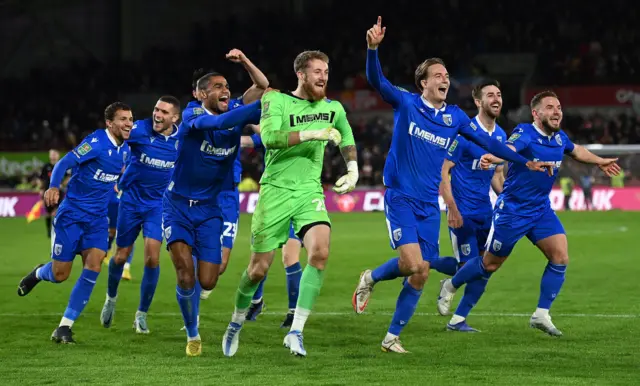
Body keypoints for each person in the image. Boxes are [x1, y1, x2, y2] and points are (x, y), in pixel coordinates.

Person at [351, 17, 550, 353]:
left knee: (420, 272)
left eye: (446, 76)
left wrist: (522, 160)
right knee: (414, 263)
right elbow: (377, 80)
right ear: (423, 83)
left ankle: (390, 337)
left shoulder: (455, 117)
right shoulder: (407, 103)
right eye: (438, 76)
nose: (445, 79)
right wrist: (372, 49)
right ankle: (369, 280)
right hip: (400, 196)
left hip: (429, 204)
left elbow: (493, 146)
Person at [437, 90, 621, 336]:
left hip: (540, 210)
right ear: (536, 113)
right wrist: (491, 158)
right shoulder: (525, 133)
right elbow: (509, 148)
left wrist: (599, 161)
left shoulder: (559, 138)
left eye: (559, 107)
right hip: (513, 211)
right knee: (490, 265)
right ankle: (451, 284)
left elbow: (576, 150)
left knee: (560, 255)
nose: (557, 112)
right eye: (550, 107)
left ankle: (541, 314)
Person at [222, 49, 358, 358]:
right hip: (274, 193)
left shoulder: (333, 108)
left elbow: (346, 138)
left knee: (320, 252)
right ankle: (236, 322)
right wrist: (313, 132)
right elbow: (269, 137)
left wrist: (353, 169)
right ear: (301, 74)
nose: (323, 76)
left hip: (308, 193)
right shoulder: (276, 100)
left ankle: (296, 331)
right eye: (317, 71)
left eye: (326, 71)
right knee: (258, 270)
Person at [164, 55, 263, 356]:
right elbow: (221, 121)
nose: (225, 90)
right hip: (178, 205)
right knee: (185, 273)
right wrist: (259, 108)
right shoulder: (193, 116)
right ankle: (192, 333)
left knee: (209, 277)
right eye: (218, 86)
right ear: (202, 94)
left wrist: (245, 61)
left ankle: (211, 292)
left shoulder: (233, 109)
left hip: (210, 208)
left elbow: (262, 86)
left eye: (228, 87)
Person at [17, 102, 133, 344]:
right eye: (123, 119)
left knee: (94, 266)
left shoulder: (126, 149)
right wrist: (53, 187)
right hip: (72, 216)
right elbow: (64, 163)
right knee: (60, 275)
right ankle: (39, 272)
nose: (128, 123)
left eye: (130, 119)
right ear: (109, 123)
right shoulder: (96, 143)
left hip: (98, 220)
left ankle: (64, 328)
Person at [100, 96, 182, 334]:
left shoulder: (182, 137)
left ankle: (141, 315)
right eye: (156, 109)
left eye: (164, 112)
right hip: (130, 203)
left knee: (152, 259)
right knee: (120, 256)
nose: (157, 114)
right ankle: (111, 299)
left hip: (157, 205)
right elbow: (113, 138)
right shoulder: (139, 130)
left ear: (174, 118)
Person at [434, 80, 507, 332]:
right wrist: (452, 208)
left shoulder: (501, 136)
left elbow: (497, 176)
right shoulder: (464, 133)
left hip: (486, 212)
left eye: (499, 94)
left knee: (486, 267)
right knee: (468, 266)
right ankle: (440, 276)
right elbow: (443, 172)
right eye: (490, 95)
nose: (496, 99)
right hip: (462, 211)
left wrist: (508, 198)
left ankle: (458, 320)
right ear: (478, 102)